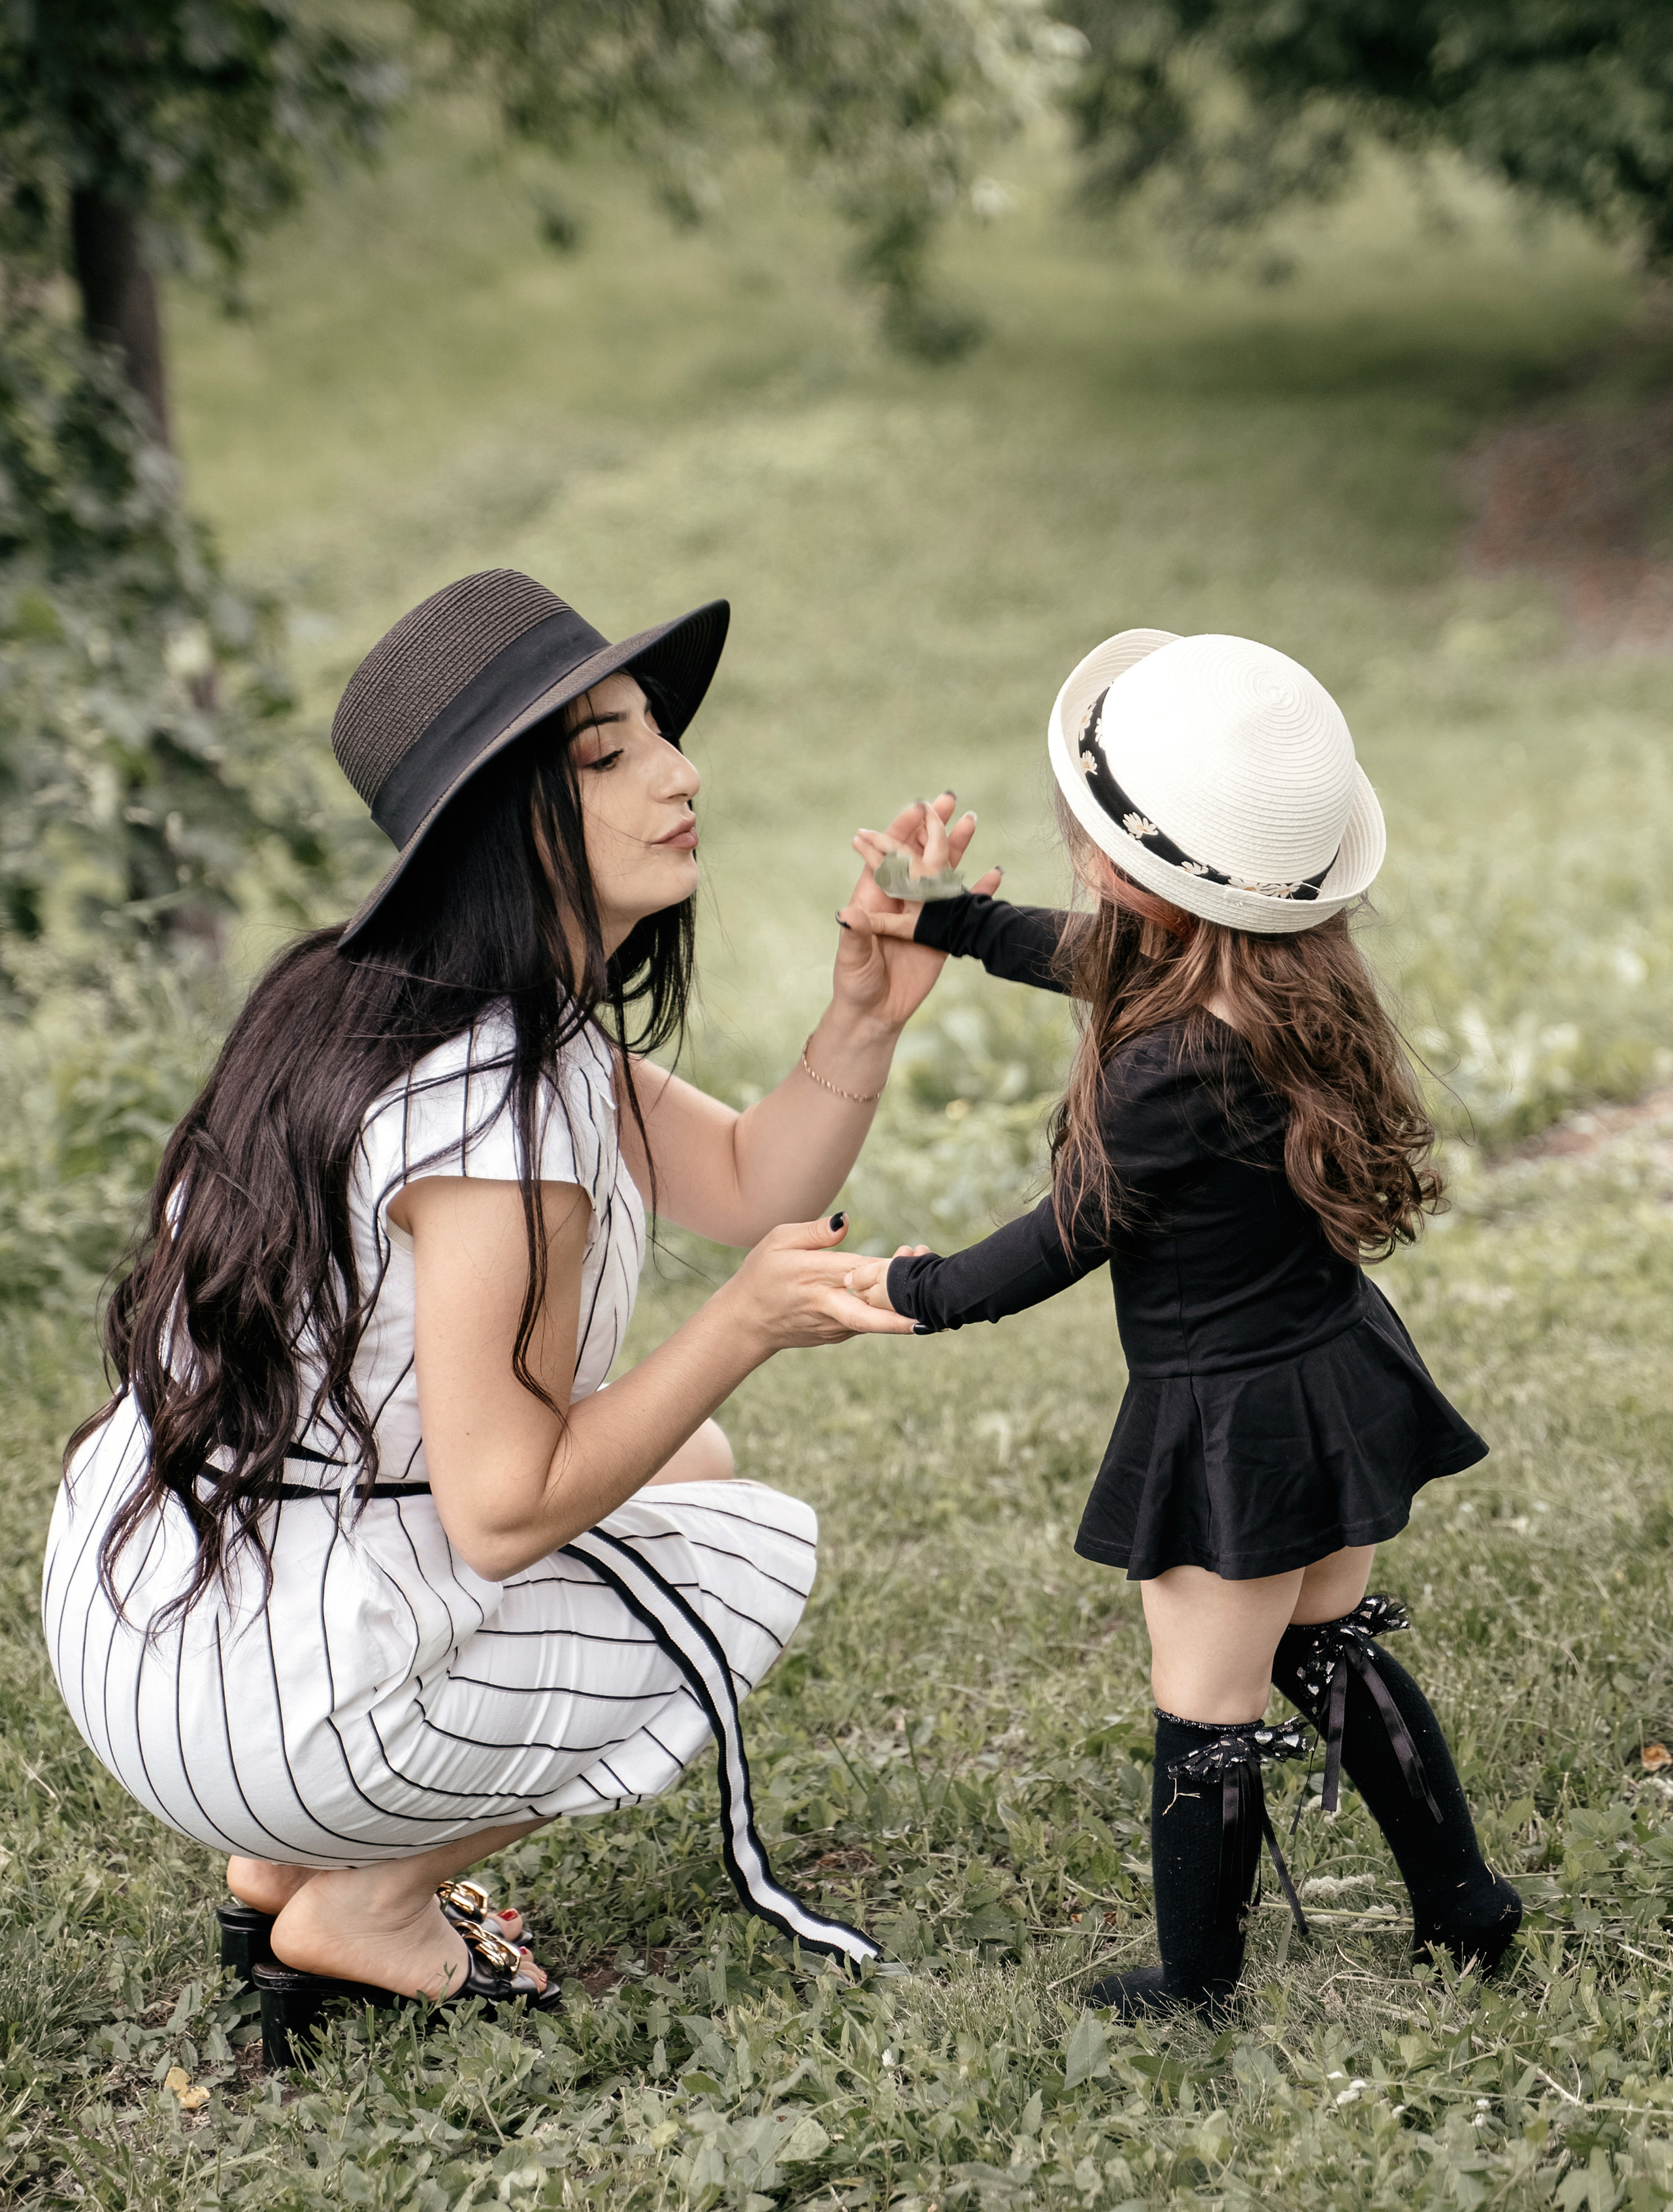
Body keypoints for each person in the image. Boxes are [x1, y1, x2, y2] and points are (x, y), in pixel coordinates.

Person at [41, 566, 960, 2058]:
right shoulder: (497, 1117)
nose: (679, 772)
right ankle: (370, 1903)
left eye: (652, 733)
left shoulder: (377, 996)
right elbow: (504, 1506)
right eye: (606, 755)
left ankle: (277, 1866)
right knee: (748, 1560)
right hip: (272, 1691)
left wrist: (860, 1012)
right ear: (498, 823)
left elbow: (742, 1172)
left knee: (697, 1466)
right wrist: (738, 1321)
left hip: (146, 1608)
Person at [840, 627, 1521, 2018]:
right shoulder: (1277, 977)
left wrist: (903, 1290)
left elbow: (1058, 1243)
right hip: (1332, 1373)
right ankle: (1464, 1905)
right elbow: (1090, 953)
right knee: (1324, 1641)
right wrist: (956, 921)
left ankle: (1194, 1983)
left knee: (1202, 1700)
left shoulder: (1163, 1070)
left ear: (1127, 866)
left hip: (1231, 1418)